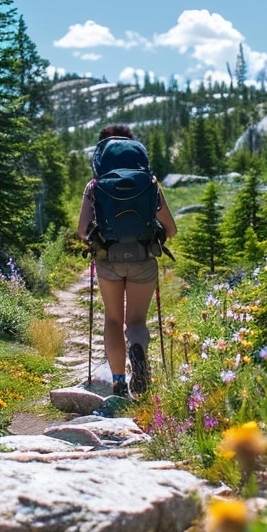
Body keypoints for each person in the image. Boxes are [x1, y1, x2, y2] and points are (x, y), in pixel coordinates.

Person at [77, 124, 177, 398]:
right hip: (143, 258)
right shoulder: (150, 182)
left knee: (112, 319)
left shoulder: (95, 186)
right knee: (136, 322)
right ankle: (139, 356)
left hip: (109, 259)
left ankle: (119, 382)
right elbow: (172, 228)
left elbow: (82, 229)